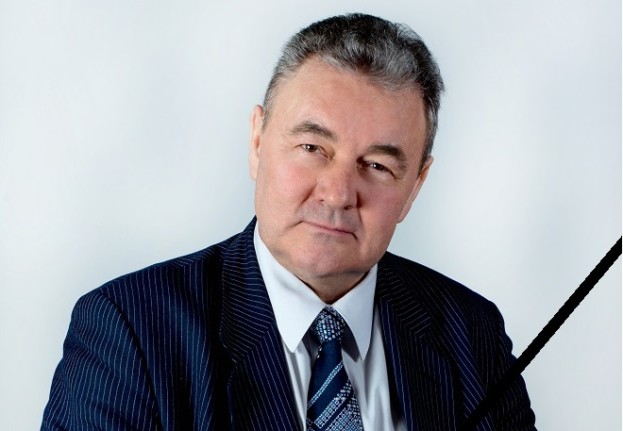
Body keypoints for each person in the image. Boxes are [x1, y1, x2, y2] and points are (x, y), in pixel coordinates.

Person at [42, 13, 536, 431]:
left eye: (377, 166)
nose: (338, 194)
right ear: (258, 143)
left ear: (415, 187)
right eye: (312, 147)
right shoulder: (130, 329)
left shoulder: (473, 335)